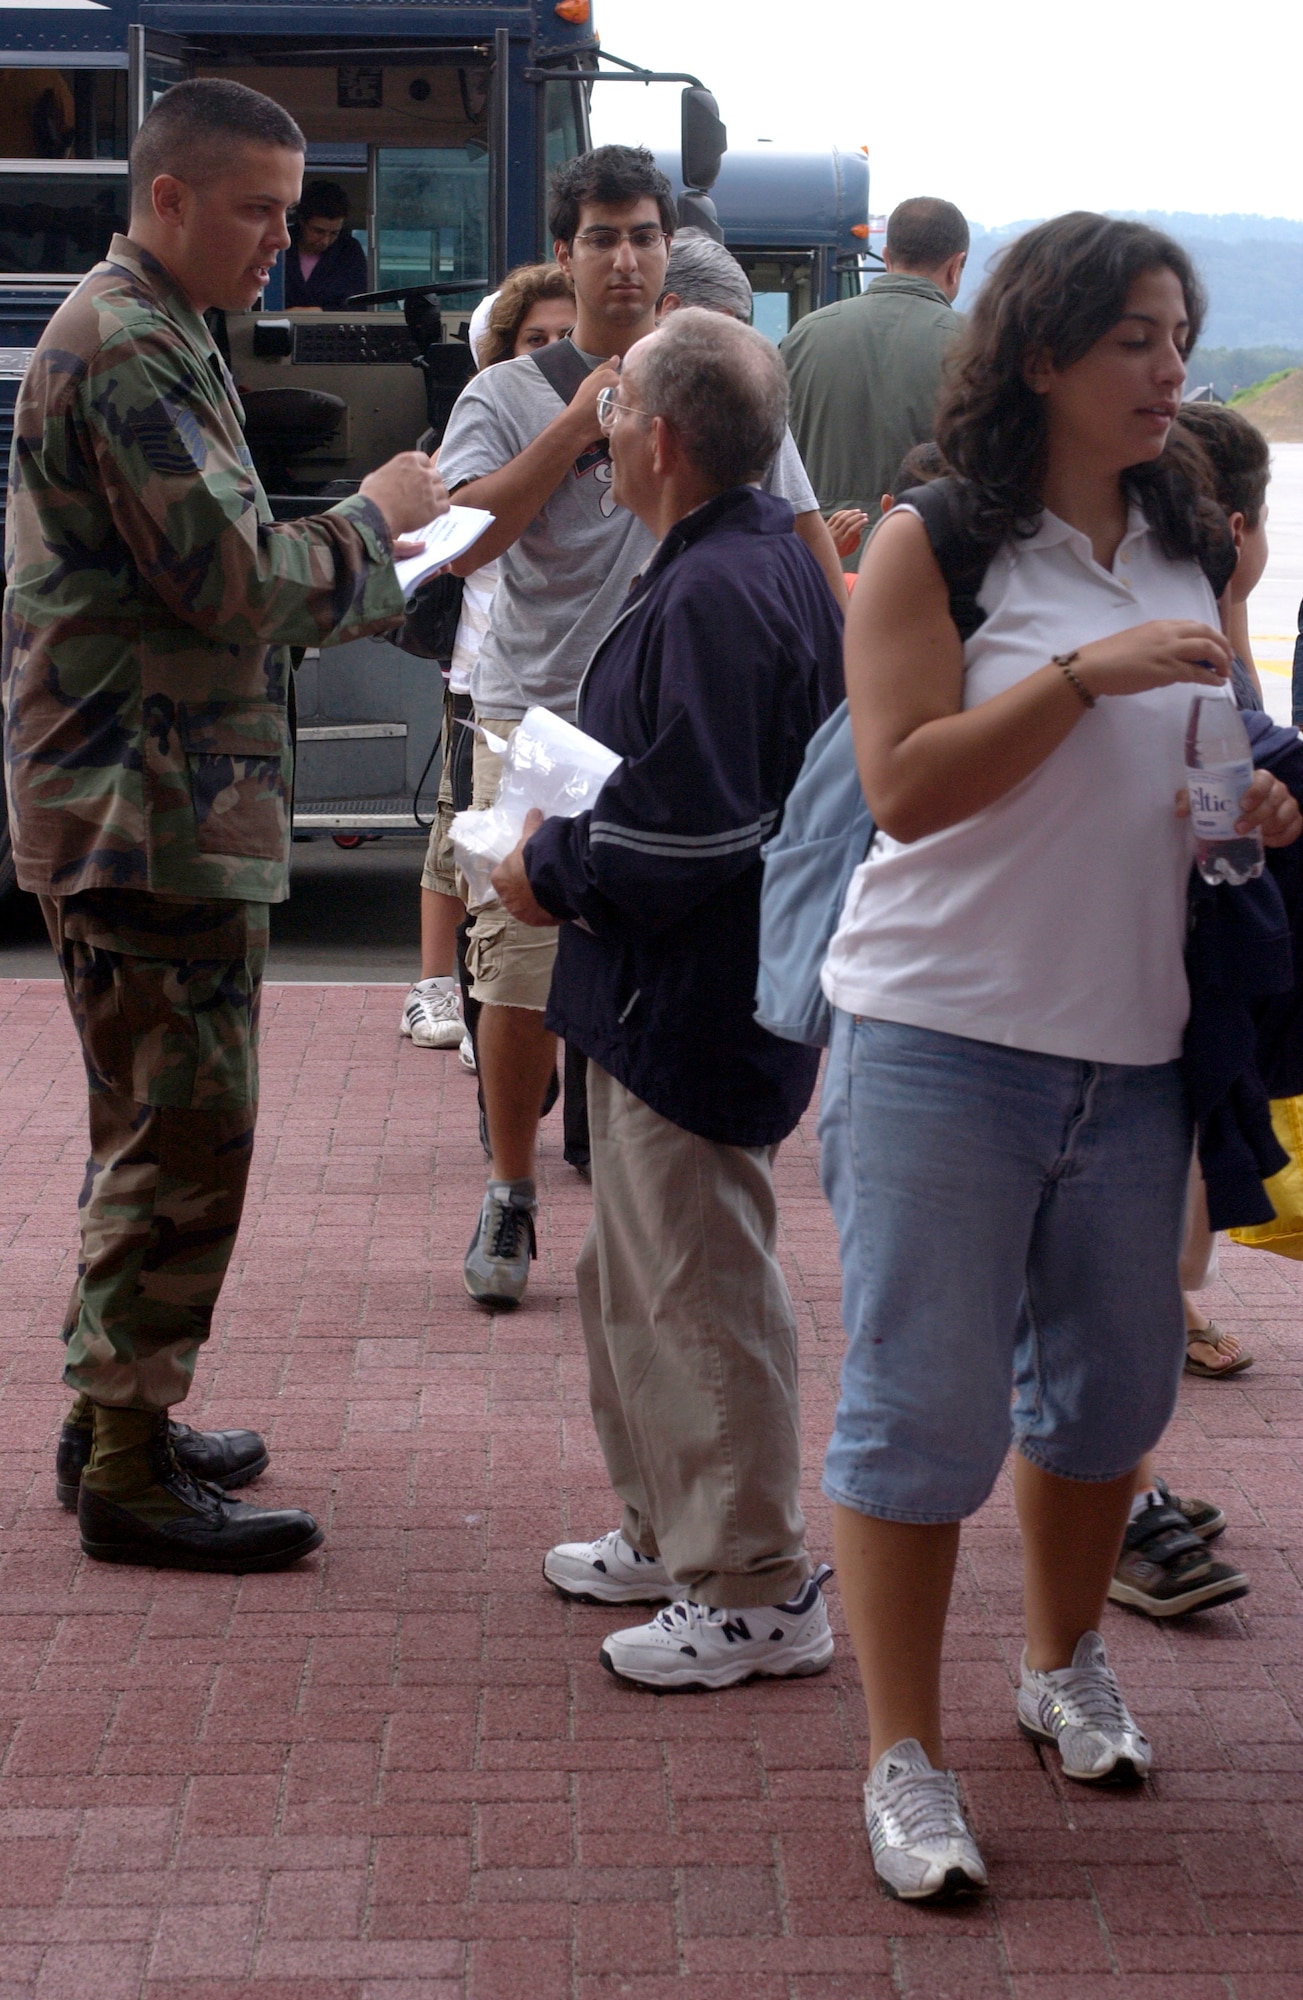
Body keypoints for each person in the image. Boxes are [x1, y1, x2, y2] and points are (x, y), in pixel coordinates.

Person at [817, 213, 1301, 1901]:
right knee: (920, 1414)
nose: (1173, 370)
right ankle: (902, 1757)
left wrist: (1251, 797)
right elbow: (905, 787)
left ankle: (1057, 1663)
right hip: (940, 1034)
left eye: (1180, 337)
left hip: (1135, 1045)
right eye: (1133, 342)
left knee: (1105, 1402)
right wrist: (1081, 680)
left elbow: (1219, 743)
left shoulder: (1184, 533)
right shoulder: (930, 540)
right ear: (1035, 353)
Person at [1, 79, 447, 1571]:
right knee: (183, 1137)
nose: (286, 239)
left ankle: (112, 1417)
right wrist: (382, 514)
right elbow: (237, 581)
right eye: (256, 209)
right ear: (169, 197)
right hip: (146, 808)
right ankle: (126, 1467)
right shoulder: (129, 344)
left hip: (147, 797)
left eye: (289, 207)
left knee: (148, 1126)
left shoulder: (155, 322)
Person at [491, 307, 845, 1686]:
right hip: (673, 998)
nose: (597, 428)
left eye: (611, 407)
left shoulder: (713, 586)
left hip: (691, 1002)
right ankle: (669, 1527)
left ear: (661, 438)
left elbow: (689, 830)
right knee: (634, 1275)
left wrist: (546, 866)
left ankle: (753, 1581)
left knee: (695, 1286)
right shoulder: (734, 559)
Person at [434, 145, 670, 1308]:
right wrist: (578, 425)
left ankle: (640, 1198)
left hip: (669, 731)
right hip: (535, 723)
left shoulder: (713, 375)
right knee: (521, 970)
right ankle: (511, 1190)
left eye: (642, 234)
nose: (622, 256)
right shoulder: (511, 393)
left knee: (658, 967)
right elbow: (461, 541)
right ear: (567, 258)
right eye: (600, 237)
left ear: (668, 252)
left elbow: (779, 529)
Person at [400, 264, 575, 1060]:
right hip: (485, 669)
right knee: (464, 835)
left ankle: (504, 1010)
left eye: (565, 339)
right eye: (535, 339)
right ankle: (454, 990)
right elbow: (462, 548)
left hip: (571, 674)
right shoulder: (492, 417)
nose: (552, 353)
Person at [656, 228, 852, 604]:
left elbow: (806, 524)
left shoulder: (741, 397)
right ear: (671, 311)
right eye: (729, 325)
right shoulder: (609, 397)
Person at [781, 196, 968, 569]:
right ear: (956, 265)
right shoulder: (975, 347)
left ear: (886, 254)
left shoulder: (804, 336)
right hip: (928, 565)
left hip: (819, 563)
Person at [284, 180, 368, 310]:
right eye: (318, 231)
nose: (325, 241)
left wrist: (320, 313)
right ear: (301, 221)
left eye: (334, 233)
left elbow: (358, 304)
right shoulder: (279, 245)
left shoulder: (349, 251)